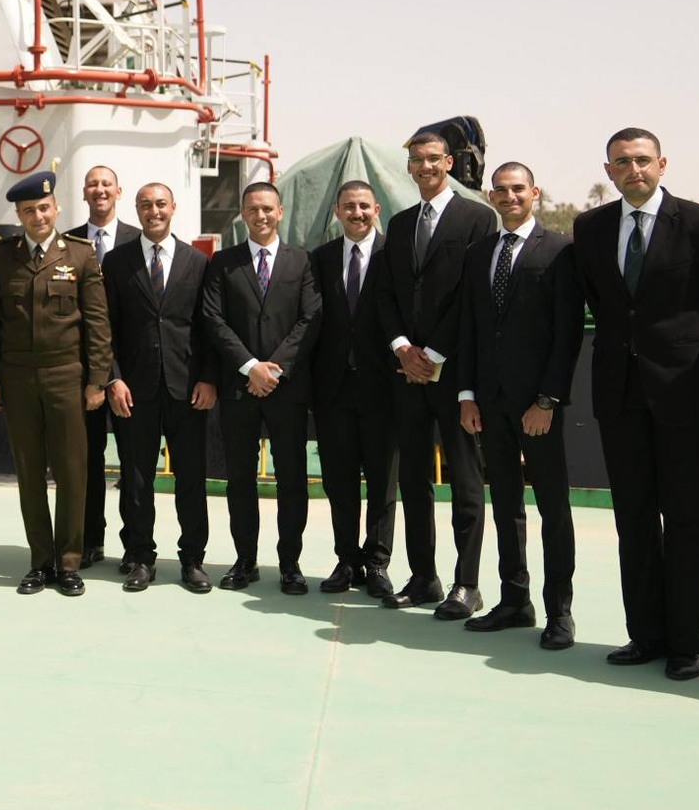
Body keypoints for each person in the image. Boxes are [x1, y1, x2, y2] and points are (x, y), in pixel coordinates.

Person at [573, 128, 699, 680]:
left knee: (690, 520)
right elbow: (604, 305)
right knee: (635, 519)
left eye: (643, 160)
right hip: (620, 396)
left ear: (663, 164)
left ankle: (686, 643)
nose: (634, 170)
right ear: (609, 171)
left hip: (686, 397)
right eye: (622, 162)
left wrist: (698, 366)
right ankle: (645, 635)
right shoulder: (590, 228)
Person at [454, 164, 586, 649]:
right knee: (506, 505)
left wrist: (547, 400)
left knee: (553, 508)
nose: (509, 197)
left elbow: (568, 332)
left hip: (538, 407)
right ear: (491, 196)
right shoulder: (479, 253)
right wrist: (467, 395)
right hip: (490, 404)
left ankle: (559, 612)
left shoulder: (560, 251)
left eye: (517, 189)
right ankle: (515, 601)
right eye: (501, 190)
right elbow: (470, 327)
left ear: (534, 193)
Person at [0, 169, 111, 597]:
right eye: (29, 210)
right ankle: (40, 562)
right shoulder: (2, 257)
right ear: (19, 214)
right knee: (29, 473)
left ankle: (69, 562)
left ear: (57, 208)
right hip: (17, 378)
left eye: (44, 208)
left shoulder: (81, 255)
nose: (38, 216)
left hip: (67, 376)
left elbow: (97, 324)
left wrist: (97, 380)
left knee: (72, 472)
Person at [377, 130, 496, 617]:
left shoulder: (477, 218)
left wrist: (434, 354)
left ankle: (467, 583)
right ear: (408, 167)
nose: (424, 167)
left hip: (455, 372)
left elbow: (473, 293)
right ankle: (423, 577)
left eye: (432, 159)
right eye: (416, 160)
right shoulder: (401, 223)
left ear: (448, 162)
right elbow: (386, 293)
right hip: (407, 374)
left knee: (466, 483)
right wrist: (404, 349)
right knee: (413, 480)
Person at [199, 181, 322, 594]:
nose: (261, 216)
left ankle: (290, 564)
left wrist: (275, 370)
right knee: (240, 479)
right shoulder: (223, 262)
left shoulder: (302, 261)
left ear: (280, 212)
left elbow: (310, 319)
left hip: (287, 390)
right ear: (242, 214)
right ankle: (245, 560)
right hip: (239, 389)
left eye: (268, 208)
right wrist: (251, 367)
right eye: (253, 209)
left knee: (292, 478)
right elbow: (213, 319)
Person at [102, 182, 216, 593]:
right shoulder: (117, 261)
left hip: (187, 388)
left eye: (161, 204)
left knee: (191, 478)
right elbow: (105, 327)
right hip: (135, 389)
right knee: (136, 478)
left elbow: (208, 325)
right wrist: (113, 378)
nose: (154, 211)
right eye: (146, 205)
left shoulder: (197, 261)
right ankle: (140, 557)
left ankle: (192, 559)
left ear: (173, 208)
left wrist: (208, 378)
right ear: (136, 209)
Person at [307, 181, 397, 600]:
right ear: (337, 212)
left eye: (363, 206)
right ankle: (346, 560)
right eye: (349, 206)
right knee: (339, 482)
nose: (357, 213)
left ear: (376, 209)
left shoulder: (394, 254)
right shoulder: (320, 258)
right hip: (334, 390)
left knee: (382, 483)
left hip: (384, 389)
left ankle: (377, 563)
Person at [67, 165, 139, 568]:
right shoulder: (67, 242)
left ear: (118, 191)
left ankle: (134, 545)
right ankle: (90, 540)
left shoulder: (138, 241)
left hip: (128, 374)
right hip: (81, 375)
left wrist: (115, 375)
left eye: (106, 184)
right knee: (87, 462)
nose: (100, 190)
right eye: (92, 184)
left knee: (132, 463)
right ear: (84, 193)